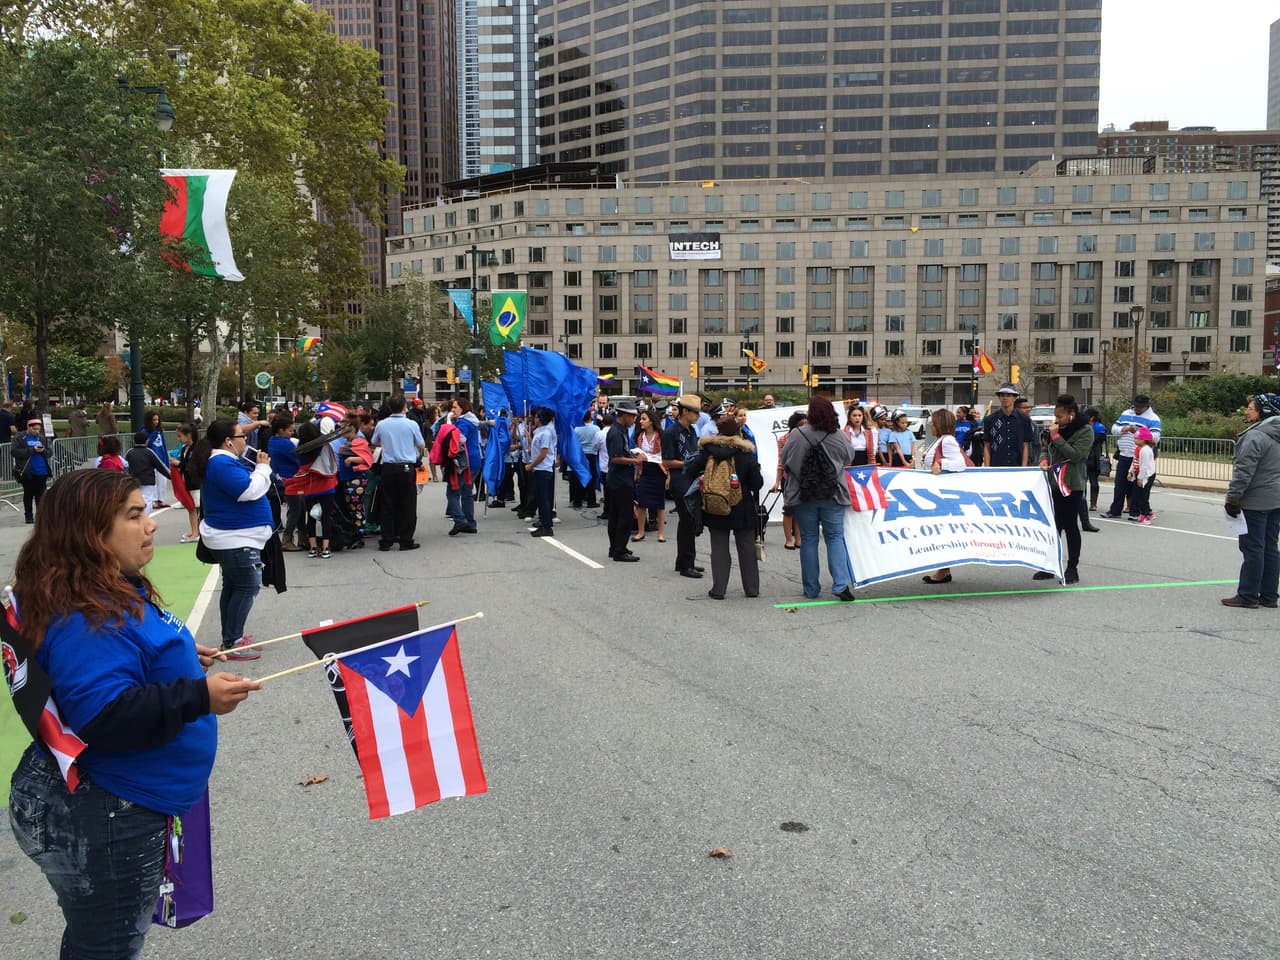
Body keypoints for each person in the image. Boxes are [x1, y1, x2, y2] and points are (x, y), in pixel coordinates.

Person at [6, 470, 259, 960]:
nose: (151, 525)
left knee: (95, 934)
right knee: (107, 946)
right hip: (107, 813)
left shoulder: (99, 585)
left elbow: (125, 658)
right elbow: (103, 716)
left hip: (112, 804)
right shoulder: (85, 612)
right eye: (134, 515)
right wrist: (196, 697)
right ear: (88, 532)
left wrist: (181, 660)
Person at [194, 419, 274, 660]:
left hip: (234, 537)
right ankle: (233, 641)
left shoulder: (223, 462)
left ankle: (231, 636)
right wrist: (263, 469)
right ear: (229, 441)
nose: (245, 440)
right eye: (242, 436)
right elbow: (247, 490)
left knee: (233, 586)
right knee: (246, 587)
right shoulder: (221, 463)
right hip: (235, 539)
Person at [779, 394, 855, 601]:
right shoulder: (838, 435)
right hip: (833, 493)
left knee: (809, 539)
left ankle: (811, 588)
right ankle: (840, 584)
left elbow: (786, 460)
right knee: (835, 537)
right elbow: (849, 457)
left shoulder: (797, 434)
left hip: (804, 494)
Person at [686, 415, 763, 599]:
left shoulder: (708, 451)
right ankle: (751, 589)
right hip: (741, 505)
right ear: (738, 432)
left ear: (718, 432)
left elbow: (690, 471)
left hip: (715, 504)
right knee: (746, 548)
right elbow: (756, 484)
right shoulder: (745, 454)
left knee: (719, 548)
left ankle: (719, 589)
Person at [1222, 393, 1280, 608]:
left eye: (1251, 408)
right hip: (1275, 498)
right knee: (1270, 547)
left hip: (1256, 499)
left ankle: (1247, 595)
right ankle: (1269, 595)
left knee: (1253, 547)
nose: (1247, 411)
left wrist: (1233, 498)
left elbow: (1244, 471)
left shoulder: (1256, 436)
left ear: (1263, 412)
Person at [1033, 394, 1092, 585]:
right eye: (1055, 417)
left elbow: (1075, 455)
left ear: (1072, 414)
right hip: (1052, 483)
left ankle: (1072, 567)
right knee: (1053, 526)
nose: (1056, 421)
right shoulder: (1057, 430)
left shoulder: (1085, 431)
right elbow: (1046, 449)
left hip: (1071, 485)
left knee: (1070, 526)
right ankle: (1049, 565)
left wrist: (1056, 436)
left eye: (1060, 417)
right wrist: (1043, 459)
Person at [370, 394, 426, 549]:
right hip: (406, 467)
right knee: (407, 504)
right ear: (404, 408)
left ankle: (387, 539)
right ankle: (405, 539)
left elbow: (374, 442)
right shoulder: (411, 424)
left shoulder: (382, 424)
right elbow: (421, 444)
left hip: (388, 467)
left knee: (387, 503)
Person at [921, 408, 969, 585]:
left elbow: (960, 464)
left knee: (942, 531)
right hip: (936, 491)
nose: (931, 426)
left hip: (944, 494)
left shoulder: (947, 441)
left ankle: (943, 569)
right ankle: (943, 568)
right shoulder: (941, 440)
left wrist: (940, 462)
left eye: (933, 423)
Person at [662, 394, 705, 579]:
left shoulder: (692, 431)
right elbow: (667, 461)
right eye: (694, 412)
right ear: (685, 411)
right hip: (681, 481)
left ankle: (685, 561)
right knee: (687, 522)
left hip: (692, 479)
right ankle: (686, 565)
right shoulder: (671, 432)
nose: (697, 416)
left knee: (689, 522)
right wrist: (689, 463)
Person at [1104, 394, 1161, 520]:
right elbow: (1114, 428)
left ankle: (1135, 512)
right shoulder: (1126, 413)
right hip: (1124, 454)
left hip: (1140, 455)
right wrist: (1124, 429)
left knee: (1137, 486)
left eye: (1140, 407)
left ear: (1146, 406)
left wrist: (1140, 433)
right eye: (1136, 406)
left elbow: (1156, 437)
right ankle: (1115, 510)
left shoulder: (1153, 418)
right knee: (1119, 484)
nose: (1137, 409)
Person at [604, 400, 644, 562]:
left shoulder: (622, 430)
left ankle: (616, 547)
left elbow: (622, 453)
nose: (635, 420)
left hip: (620, 478)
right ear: (625, 415)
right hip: (620, 480)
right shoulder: (615, 432)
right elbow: (615, 458)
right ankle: (619, 550)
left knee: (616, 515)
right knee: (623, 516)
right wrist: (636, 461)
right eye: (633, 416)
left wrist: (632, 455)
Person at [268, 413, 304, 551]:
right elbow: (297, 458)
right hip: (290, 479)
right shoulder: (285, 443)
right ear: (281, 430)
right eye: (289, 430)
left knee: (298, 508)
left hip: (281, 478)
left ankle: (301, 536)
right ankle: (288, 539)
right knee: (296, 510)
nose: (292, 433)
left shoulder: (272, 440)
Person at [630, 409, 667, 542]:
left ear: (651, 421)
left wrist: (668, 476)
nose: (641, 421)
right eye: (640, 419)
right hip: (644, 470)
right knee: (641, 503)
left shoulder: (660, 436)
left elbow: (665, 456)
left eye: (644, 419)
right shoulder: (639, 437)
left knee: (659, 503)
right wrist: (636, 472)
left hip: (659, 470)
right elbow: (639, 455)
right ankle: (641, 531)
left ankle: (660, 533)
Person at [773, 411, 807, 551]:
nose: (804, 426)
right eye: (801, 424)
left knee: (801, 509)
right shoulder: (784, 438)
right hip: (789, 478)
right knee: (789, 510)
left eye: (806, 423)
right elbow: (781, 462)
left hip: (805, 478)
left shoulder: (808, 437)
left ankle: (798, 538)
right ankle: (788, 539)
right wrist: (777, 481)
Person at [983, 383, 1032, 467]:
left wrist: (1023, 467)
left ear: (1015, 398)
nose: (1005, 398)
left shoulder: (1024, 419)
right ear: (999, 397)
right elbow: (987, 446)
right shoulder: (990, 420)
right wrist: (987, 468)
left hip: (1017, 466)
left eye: (1008, 395)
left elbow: (1025, 445)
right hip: (996, 466)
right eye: (1002, 395)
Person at [526, 407, 557, 537]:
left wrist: (531, 465)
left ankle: (547, 526)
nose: (535, 418)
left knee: (543, 499)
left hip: (543, 469)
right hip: (539, 469)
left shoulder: (546, 433)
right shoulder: (540, 431)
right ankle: (545, 522)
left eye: (537, 417)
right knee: (540, 498)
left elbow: (544, 453)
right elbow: (537, 448)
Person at [13, 418, 51, 523]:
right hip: (28, 471)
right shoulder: (20, 437)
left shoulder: (41, 438)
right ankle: (28, 516)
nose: (36, 431)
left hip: (41, 470)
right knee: (28, 494)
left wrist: (43, 451)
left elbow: (49, 452)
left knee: (41, 496)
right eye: (34, 429)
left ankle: (41, 516)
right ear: (28, 427)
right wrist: (32, 450)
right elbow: (15, 452)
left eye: (38, 429)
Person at [126, 430, 171, 516]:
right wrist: (170, 476)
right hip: (148, 481)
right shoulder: (149, 452)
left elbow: (125, 466)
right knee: (148, 500)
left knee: (135, 499)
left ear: (134, 441)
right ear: (146, 441)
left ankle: (136, 517)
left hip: (133, 481)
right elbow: (160, 466)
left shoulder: (129, 452)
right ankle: (145, 518)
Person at [170, 423, 201, 542]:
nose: (179, 439)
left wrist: (180, 464)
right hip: (187, 481)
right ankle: (195, 531)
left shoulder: (196, 448)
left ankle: (196, 532)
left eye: (180, 436)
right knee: (191, 508)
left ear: (189, 435)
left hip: (196, 483)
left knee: (195, 508)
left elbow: (194, 465)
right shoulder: (184, 449)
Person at [1080, 407, 1106, 532]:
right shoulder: (1087, 427)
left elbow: (1095, 442)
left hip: (1093, 456)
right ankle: (1084, 502)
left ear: (1091, 417)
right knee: (1082, 482)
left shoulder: (1098, 427)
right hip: (1086, 456)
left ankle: (1093, 503)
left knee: (1093, 481)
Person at [571, 412, 601, 509]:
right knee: (592, 477)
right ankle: (591, 501)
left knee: (579, 477)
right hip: (592, 454)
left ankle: (577, 501)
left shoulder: (577, 429)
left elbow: (574, 442)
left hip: (580, 454)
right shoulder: (596, 428)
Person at [1128, 426, 1157, 524]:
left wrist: (1140, 478)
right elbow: (1134, 461)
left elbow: (1144, 466)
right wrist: (1130, 472)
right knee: (1138, 494)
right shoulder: (1138, 448)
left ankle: (1145, 515)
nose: (1134, 440)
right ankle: (1146, 513)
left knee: (1142, 496)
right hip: (1139, 474)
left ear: (1144, 440)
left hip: (1146, 475)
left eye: (1137, 438)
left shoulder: (1145, 450)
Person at [143, 411, 171, 509]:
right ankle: (154, 500)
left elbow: (163, 446)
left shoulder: (160, 431)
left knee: (162, 480)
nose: (156, 422)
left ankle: (160, 499)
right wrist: (153, 434)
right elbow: (146, 443)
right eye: (154, 420)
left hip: (161, 458)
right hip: (152, 459)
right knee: (154, 480)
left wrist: (167, 460)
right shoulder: (144, 431)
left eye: (157, 420)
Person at [1017, 397, 1042, 466]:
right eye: (1024, 408)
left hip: (1030, 464)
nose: (1028, 409)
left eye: (1029, 407)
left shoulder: (1033, 425)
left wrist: (1036, 463)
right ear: (1016, 409)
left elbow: (1037, 446)